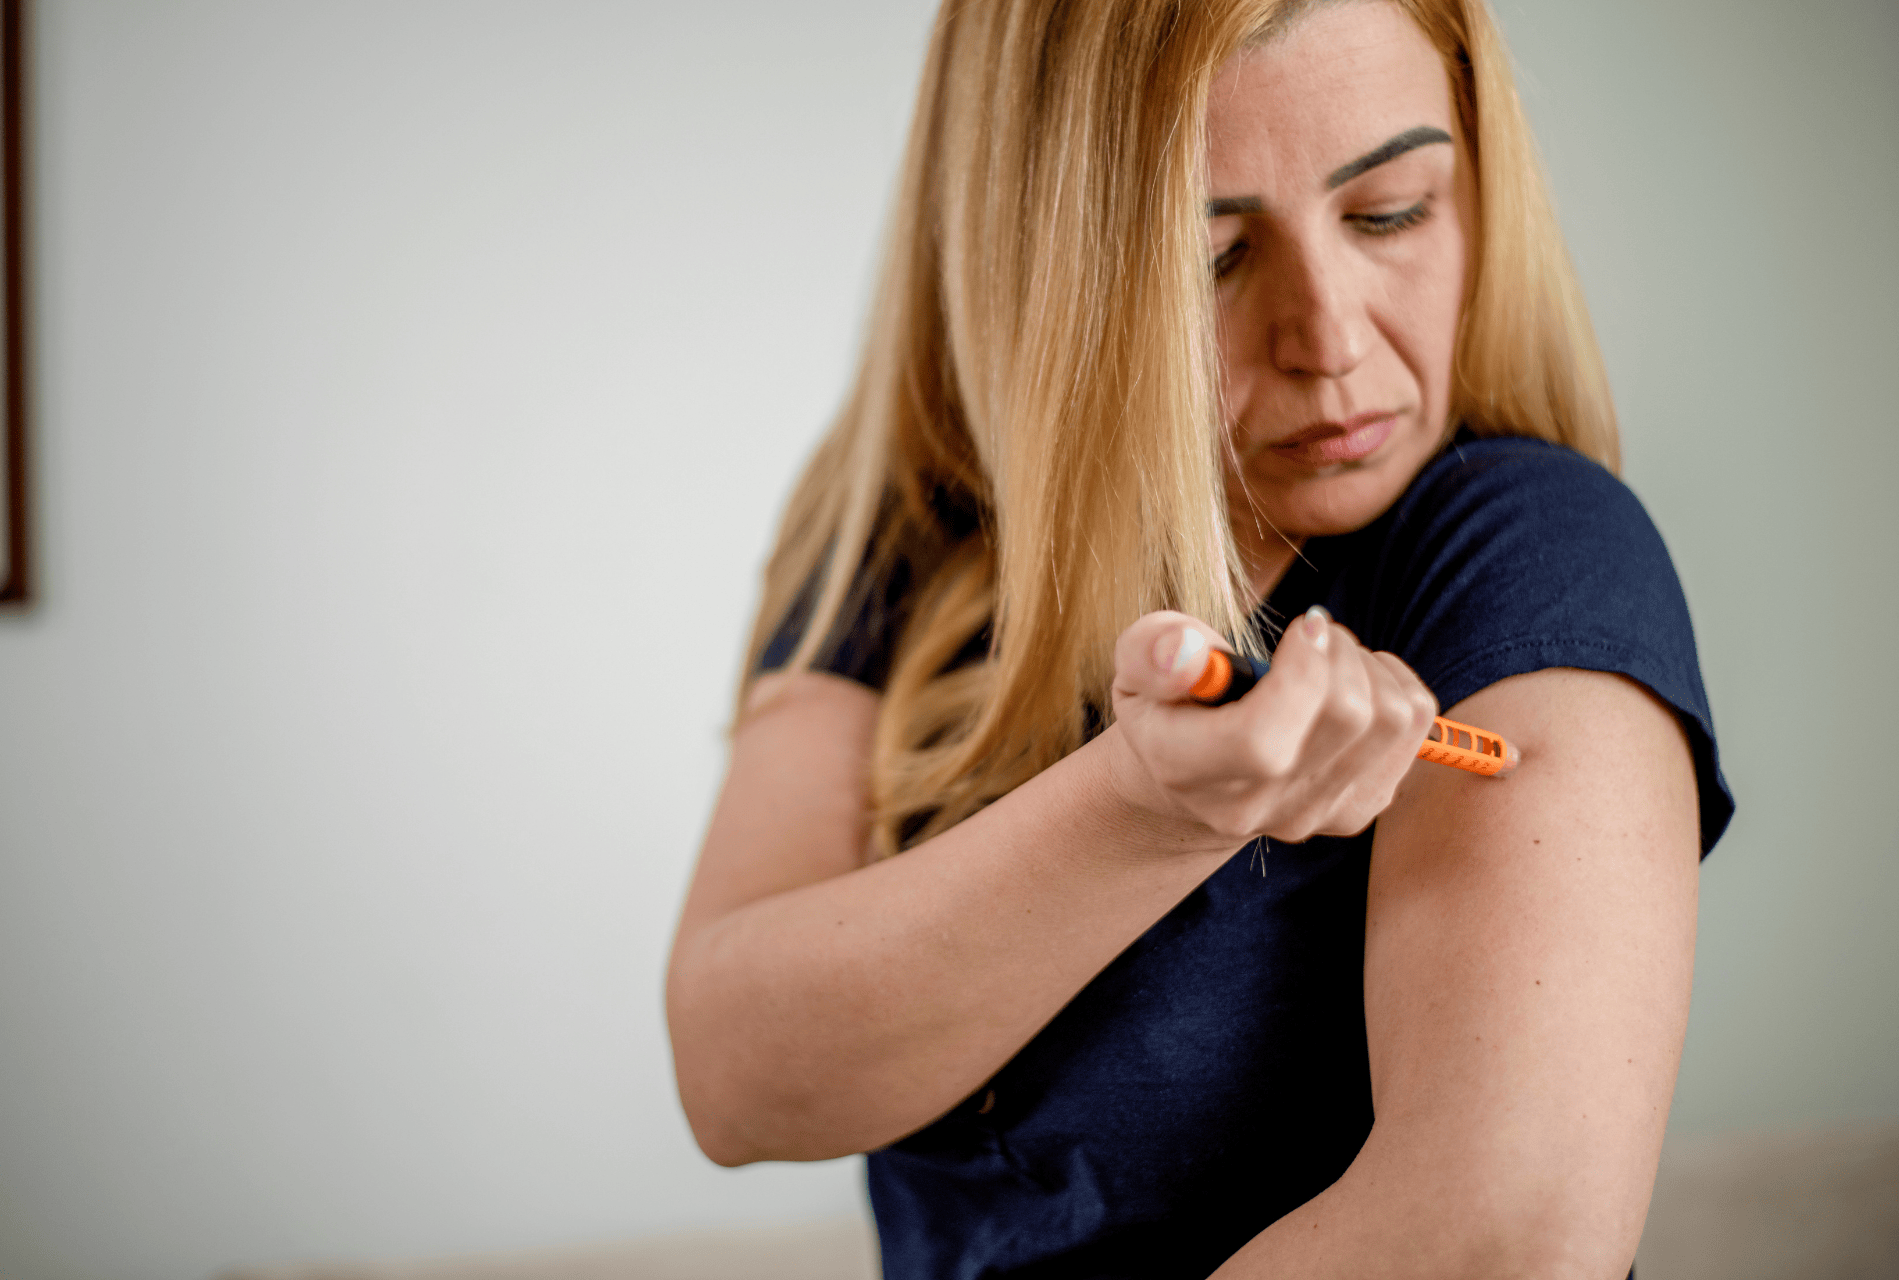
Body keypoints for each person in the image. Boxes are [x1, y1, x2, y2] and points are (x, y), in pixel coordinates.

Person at [666, 0, 1733, 1276]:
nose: (1330, 341)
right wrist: (1146, 807)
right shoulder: (914, 535)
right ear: (1039, 267)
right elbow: (736, 1081)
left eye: (1391, 209)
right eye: (1209, 255)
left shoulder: (1531, 547)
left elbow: (1496, 1239)